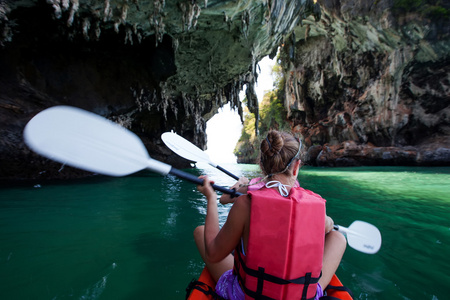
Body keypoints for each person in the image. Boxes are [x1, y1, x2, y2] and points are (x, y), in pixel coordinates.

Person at [193, 130, 346, 300]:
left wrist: (211, 198)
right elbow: (328, 226)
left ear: (262, 165)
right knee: (338, 238)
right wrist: (328, 222)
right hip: (301, 297)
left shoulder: (245, 204)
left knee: (201, 231)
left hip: (249, 295)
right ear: (296, 167)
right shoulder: (316, 207)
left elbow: (213, 254)